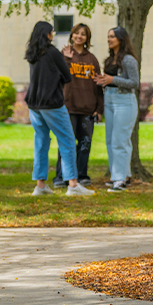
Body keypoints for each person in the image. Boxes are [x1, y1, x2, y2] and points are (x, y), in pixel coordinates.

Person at [24, 21, 95, 196]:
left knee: (41, 142)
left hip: (34, 105)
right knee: (68, 140)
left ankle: (40, 186)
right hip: (51, 104)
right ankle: (73, 185)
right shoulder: (52, 52)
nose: (52, 35)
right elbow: (67, 76)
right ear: (47, 34)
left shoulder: (32, 53)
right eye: (52, 33)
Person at [53, 23, 104, 188]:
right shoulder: (64, 54)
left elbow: (98, 86)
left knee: (85, 144)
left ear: (87, 38)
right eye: (77, 33)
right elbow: (59, 77)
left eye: (83, 34)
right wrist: (67, 59)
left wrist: (99, 108)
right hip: (68, 108)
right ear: (72, 35)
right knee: (65, 143)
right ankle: (61, 177)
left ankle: (81, 175)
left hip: (87, 109)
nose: (79, 36)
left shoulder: (92, 59)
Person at [95, 27, 139, 193]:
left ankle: (119, 180)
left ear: (121, 39)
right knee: (110, 140)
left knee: (120, 141)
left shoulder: (128, 60)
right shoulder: (109, 60)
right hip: (110, 99)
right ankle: (122, 176)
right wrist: (103, 80)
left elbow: (135, 83)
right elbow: (109, 81)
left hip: (124, 101)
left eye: (112, 37)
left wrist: (113, 79)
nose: (109, 39)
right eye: (108, 37)